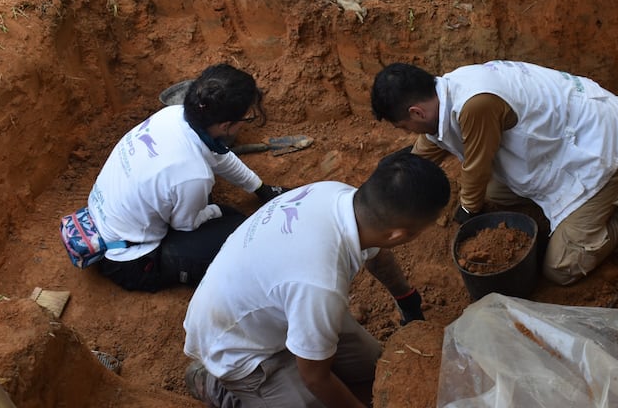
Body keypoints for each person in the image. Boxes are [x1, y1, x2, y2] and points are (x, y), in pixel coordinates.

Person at [370, 60, 618, 286]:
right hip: (560, 144)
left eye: (404, 126)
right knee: (499, 193)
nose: (409, 132)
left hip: (602, 150)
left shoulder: (475, 104)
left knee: (561, 268)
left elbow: (476, 167)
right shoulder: (445, 92)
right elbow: (429, 145)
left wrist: (468, 210)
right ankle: (570, 215)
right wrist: (393, 181)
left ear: (416, 112)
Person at [182, 150, 451, 408]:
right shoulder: (321, 283)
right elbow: (315, 377)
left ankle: (301, 343)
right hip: (236, 342)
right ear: (397, 234)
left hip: (277, 303)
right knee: (313, 401)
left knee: (374, 364)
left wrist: (406, 297)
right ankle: (212, 382)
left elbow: (376, 255)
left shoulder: (341, 197)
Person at [86, 62, 289, 292]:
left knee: (209, 205)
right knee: (242, 234)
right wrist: (218, 211)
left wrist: (260, 187)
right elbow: (185, 225)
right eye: (245, 118)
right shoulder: (193, 174)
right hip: (129, 260)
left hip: (102, 220)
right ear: (226, 125)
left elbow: (219, 155)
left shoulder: (173, 115)